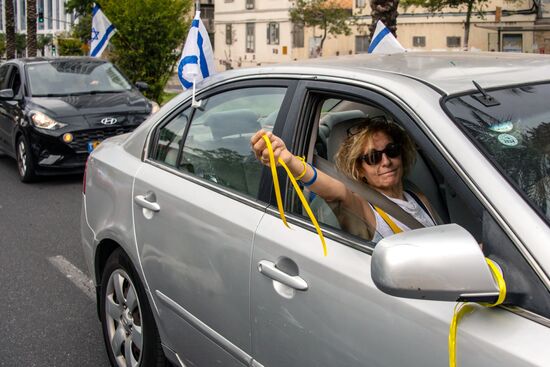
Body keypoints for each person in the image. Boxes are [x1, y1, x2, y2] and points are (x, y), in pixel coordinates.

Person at [250, 117, 439, 241]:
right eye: (373, 157)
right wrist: (290, 160)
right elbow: (338, 194)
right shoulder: (366, 211)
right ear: (360, 169)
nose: (386, 161)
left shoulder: (417, 196)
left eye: (392, 151)